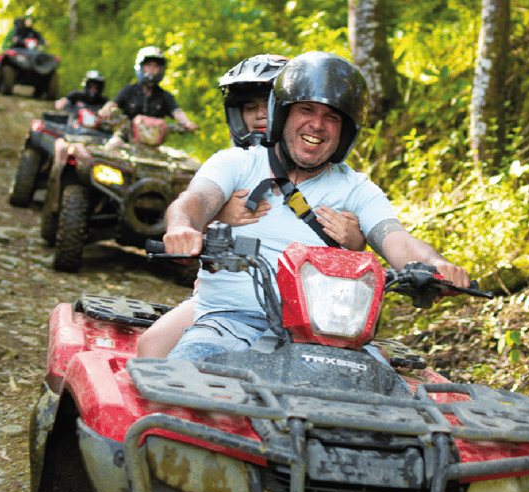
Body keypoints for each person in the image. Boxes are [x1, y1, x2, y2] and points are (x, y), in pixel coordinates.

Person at [158, 51, 469, 364]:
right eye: (306, 109)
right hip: (230, 323)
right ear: (283, 115)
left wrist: (434, 265)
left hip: (330, 337)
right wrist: (182, 227)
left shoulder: (357, 189)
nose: (317, 125)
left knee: (394, 407)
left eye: (332, 117)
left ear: (345, 131)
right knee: (177, 390)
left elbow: (396, 238)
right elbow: (194, 201)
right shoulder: (236, 163)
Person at [136, 53, 367, 359]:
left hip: (314, 314)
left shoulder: (331, 170)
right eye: (250, 107)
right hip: (225, 305)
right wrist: (208, 218)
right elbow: (194, 204)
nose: (261, 116)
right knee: (150, 349)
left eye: (268, 106)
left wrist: (357, 239)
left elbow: (358, 228)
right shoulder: (234, 163)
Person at [97, 46, 198, 147]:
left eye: (155, 67)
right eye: (148, 65)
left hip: (153, 143)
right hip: (126, 137)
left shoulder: (165, 96)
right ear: (141, 66)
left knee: (183, 159)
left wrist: (187, 123)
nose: (151, 70)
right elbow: (113, 103)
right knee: (112, 146)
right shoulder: (129, 90)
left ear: (161, 69)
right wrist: (105, 110)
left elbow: (177, 111)